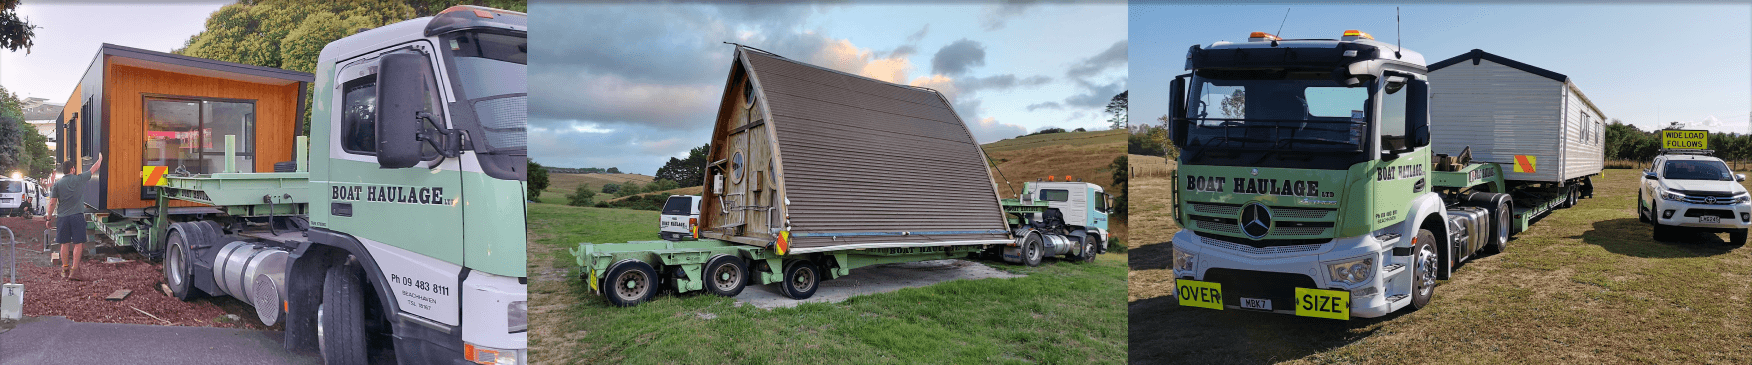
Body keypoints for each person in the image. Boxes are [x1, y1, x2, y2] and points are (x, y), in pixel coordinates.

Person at [45, 153, 101, 281]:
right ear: (72, 169)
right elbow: (94, 168)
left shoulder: (57, 185)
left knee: (64, 243)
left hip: (63, 217)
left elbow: (52, 202)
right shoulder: (79, 179)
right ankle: (74, 270)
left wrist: (49, 218)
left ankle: (65, 269)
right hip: (77, 216)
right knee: (78, 243)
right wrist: (100, 158)